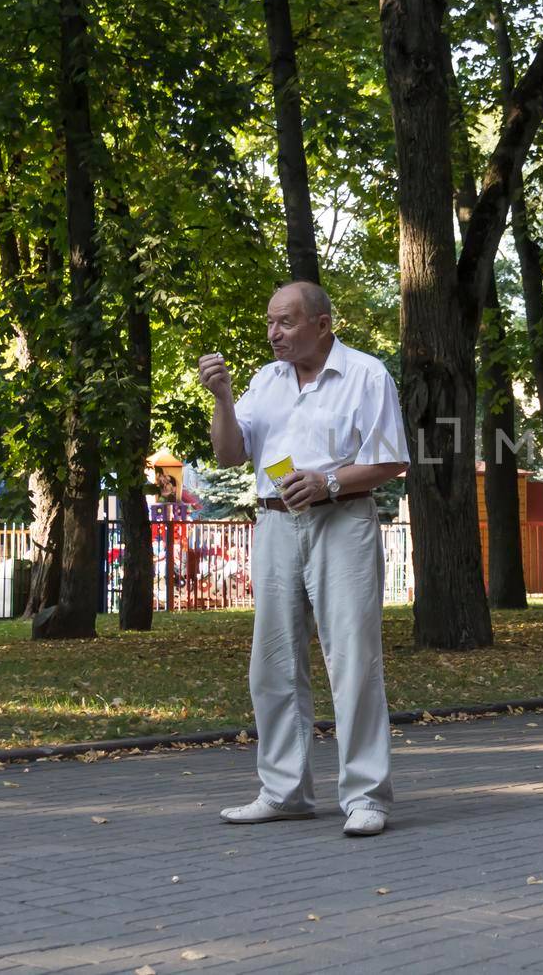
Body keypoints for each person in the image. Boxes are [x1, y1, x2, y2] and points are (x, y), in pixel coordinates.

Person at [198, 281, 408, 837]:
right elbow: (230, 452)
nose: (274, 334)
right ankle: (284, 791)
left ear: (322, 324)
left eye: (286, 323)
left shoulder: (366, 375)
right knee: (273, 662)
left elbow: (391, 461)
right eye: (270, 323)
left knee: (353, 658)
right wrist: (221, 398)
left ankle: (366, 796)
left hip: (342, 521)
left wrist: (328, 480)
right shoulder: (264, 381)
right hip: (273, 523)